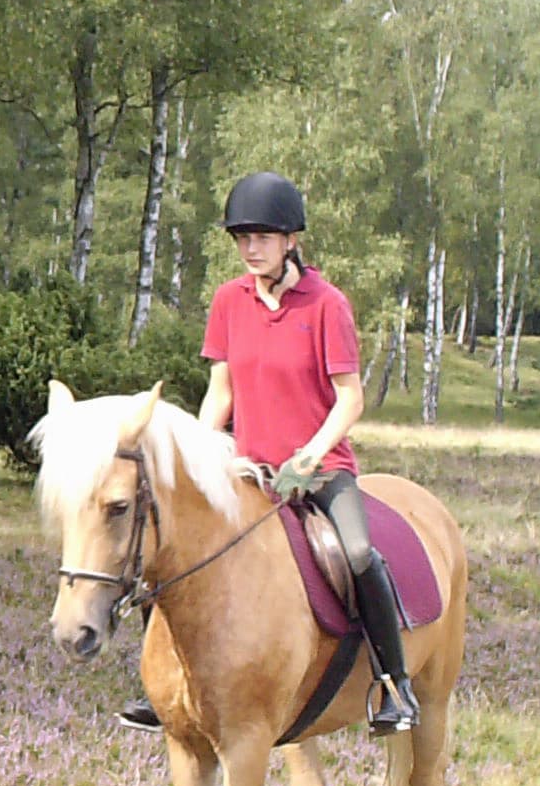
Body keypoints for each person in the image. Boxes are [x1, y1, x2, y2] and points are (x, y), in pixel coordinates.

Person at [119, 170, 420, 737]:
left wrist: (310, 455)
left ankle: (393, 685)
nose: (251, 248)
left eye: (263, 237)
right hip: (248, 469)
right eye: (243, 238)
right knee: (168, 550)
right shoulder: (229, 302)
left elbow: (350, 399)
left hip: (322, 470)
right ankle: (159, 685)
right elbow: (222, 390)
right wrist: (204, 452)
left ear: (291, 241)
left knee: (358, 555)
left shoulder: (327, 305)